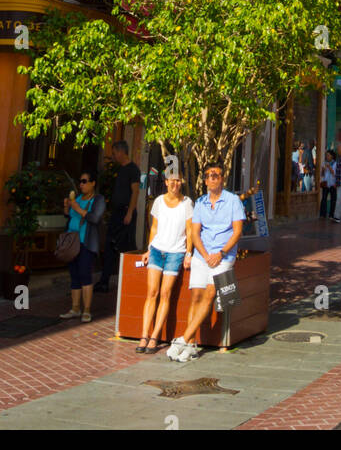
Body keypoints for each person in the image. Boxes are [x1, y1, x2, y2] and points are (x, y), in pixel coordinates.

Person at [167, 163, 245, 362]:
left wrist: (220, 253)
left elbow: (237, 232)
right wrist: (202, 253)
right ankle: (191, 344)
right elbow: (194, 232)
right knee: (195, 297)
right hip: (202, 255)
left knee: (210, 294)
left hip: (224, 256)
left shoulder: (233, 201)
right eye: (209, 175)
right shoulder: (200, 202)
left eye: (216, 175)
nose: (212, 178)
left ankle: (183, 339)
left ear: (222, 178)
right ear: (204, 180)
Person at [137, 169, 193, 353]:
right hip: (157, 250)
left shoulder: (187, 203)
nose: (175, 184)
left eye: (178, 180)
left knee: (165, 293)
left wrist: (188, 252)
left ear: (181, 182)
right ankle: (144, 335)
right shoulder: (159, 202)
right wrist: (149, 247)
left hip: (175, 252)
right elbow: (154, 227)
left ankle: (155, 336)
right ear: (166, 182)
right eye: (172, 180)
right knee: (152, 292)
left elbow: (190, 230)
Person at [94, 140, 141, 292]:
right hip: (117, 213)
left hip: (125, 213)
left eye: (114, 153)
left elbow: (135, 192)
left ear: (121, 152)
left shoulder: (132, 169)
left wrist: (129, 213)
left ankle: (133, 280)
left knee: (127, 247)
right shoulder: (120, 170)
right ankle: (105, 281)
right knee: (110, 245)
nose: (113, 156)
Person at [59, 173, 106, 322]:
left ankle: (86, 310)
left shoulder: (98, 199)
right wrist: (67, 207)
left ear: (93, 183)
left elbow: (95, 218)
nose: (81, 184)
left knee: (85, 274)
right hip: (72, 243)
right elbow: (69, 216)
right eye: (80, 182)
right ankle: (75, 308)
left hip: (86, 243)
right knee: (74, 275)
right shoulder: (77, 198)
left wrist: (77, 208)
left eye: (85, 181)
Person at [319, 149, 337, 219]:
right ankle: (322, 214)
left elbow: (334, 174)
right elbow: (322, 175)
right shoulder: (324, 163)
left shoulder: (335, 163)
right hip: (326, 183)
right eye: (326, 155)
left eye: (328, 155)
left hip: (332, 184)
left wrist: (329, 168)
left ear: (332, 156)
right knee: (323, 199)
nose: (327, 157)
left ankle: (331, 215)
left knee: (333, 200)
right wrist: (323, 171)